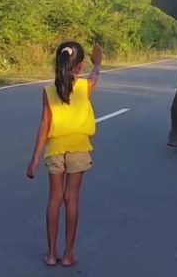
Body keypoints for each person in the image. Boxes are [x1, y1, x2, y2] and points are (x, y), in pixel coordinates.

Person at [26, 41, 103, 267]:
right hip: (79, 148)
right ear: (79, 66)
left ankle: (51, 254)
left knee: (54, 199)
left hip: (55, 150)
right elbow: (95, 72)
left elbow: (44, 123)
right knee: (72, 199)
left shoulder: (49, 92)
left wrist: (35, 158)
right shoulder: (84, 87)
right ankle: (68, 254)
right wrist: (97, 62)